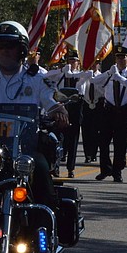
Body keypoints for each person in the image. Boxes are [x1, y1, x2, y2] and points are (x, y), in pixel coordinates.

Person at [0, 21, 68, 207]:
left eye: (11, 46)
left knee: (40, 167)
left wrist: (60, 112)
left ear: (22, 50)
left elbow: (53, 102)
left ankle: (46, 219)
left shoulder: (38, 80)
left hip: (23, 149)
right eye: (0, 46)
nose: (5, 51)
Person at [91, 46, 127, 183]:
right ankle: (105, 169)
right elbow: (94, 81)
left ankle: (117, 171)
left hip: (123, 111)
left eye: (123, 57)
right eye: (118, 57)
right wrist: (109, 74)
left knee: (120, 143)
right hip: (108, 110)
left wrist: (120, 78)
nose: (120, 60)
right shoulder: (110, 74)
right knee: (103, 142)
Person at [44, 50, 84, 178]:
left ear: (78, 63)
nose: (72, 63)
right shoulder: (61, 74)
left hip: (76, 108)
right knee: (57, 139)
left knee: (72, 141)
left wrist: (74, 74)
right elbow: (46, 76)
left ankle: (70, 168)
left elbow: (90, 77)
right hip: (61, 108)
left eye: (75, 61)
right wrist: (61, 71)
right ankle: (55, 167)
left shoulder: (82, 75)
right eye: (70, 61)